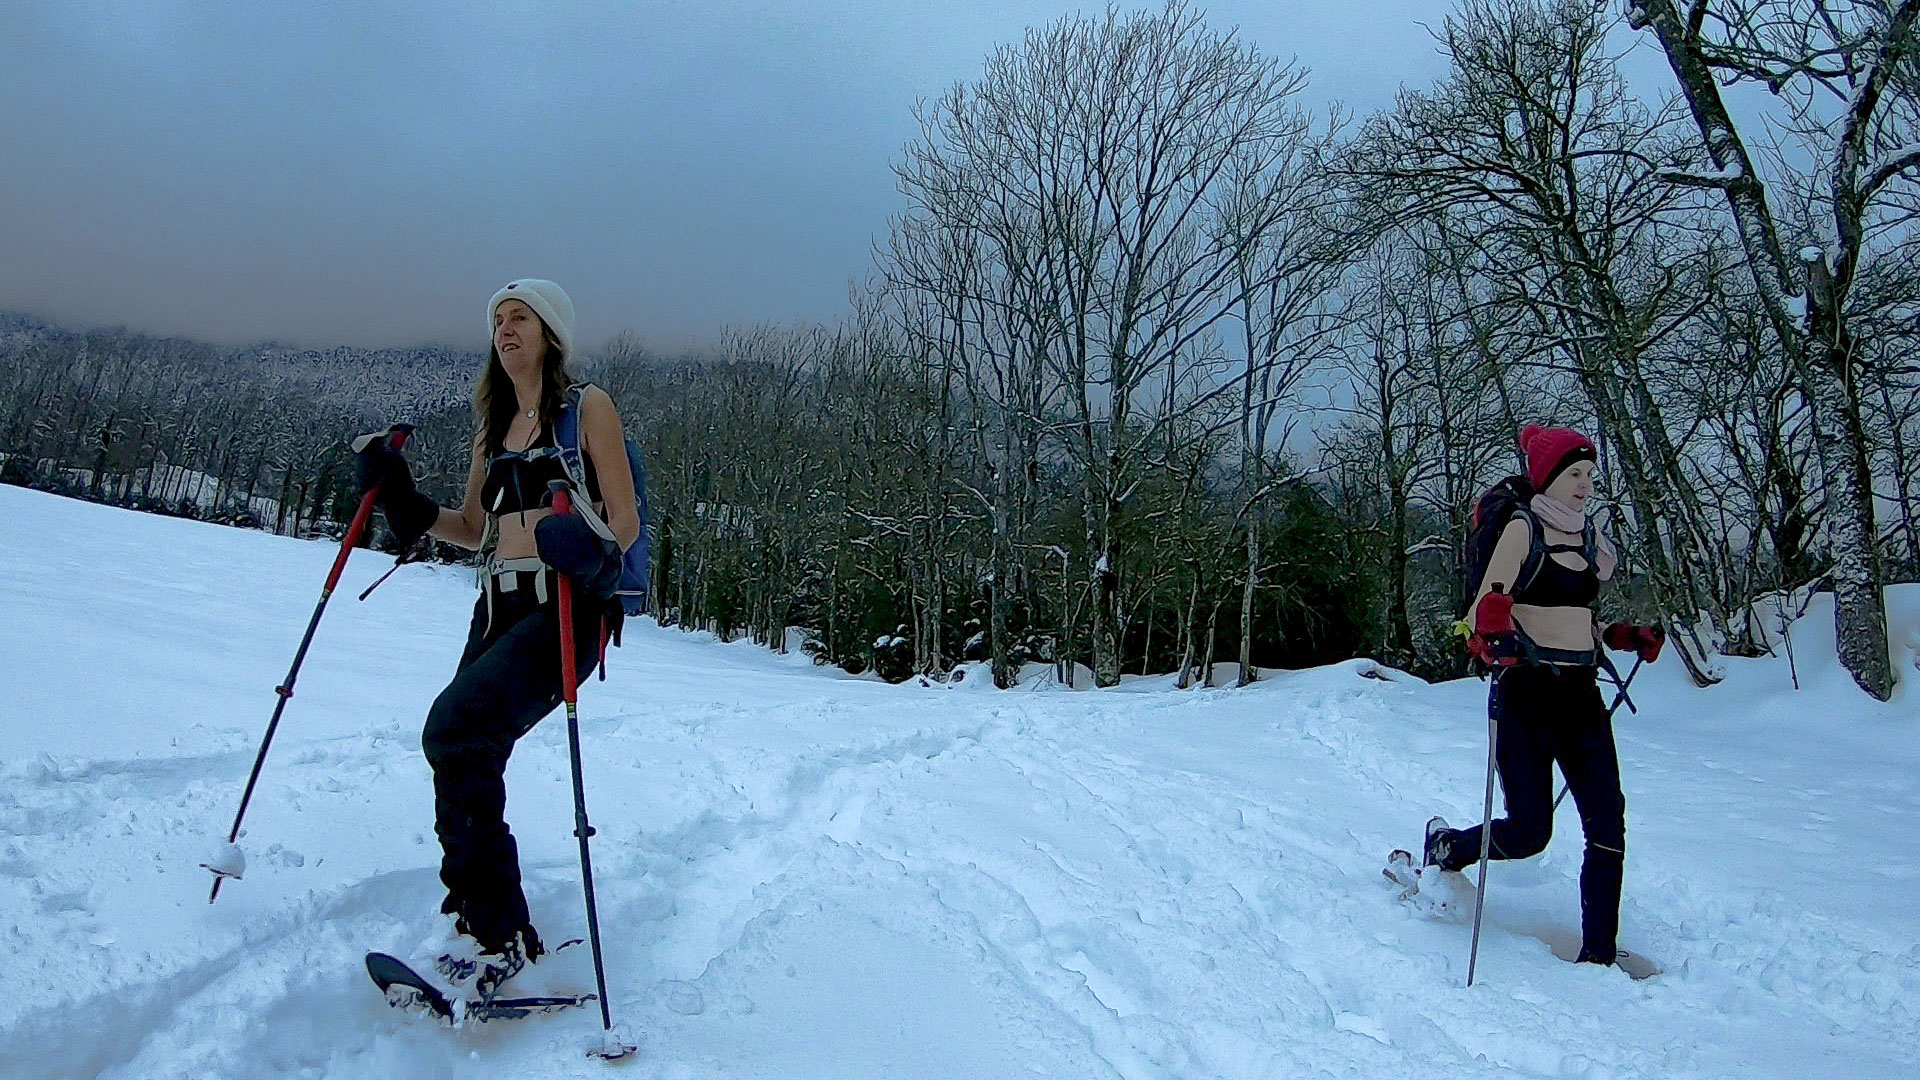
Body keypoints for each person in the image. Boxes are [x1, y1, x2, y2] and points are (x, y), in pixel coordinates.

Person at [353, 279, 640, 997]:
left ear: (551, 334)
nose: (506, 329)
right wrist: (407, 501)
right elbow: (475, 530)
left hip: (568, 603)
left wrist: (583, 538)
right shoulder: (493, 422)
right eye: (499, 320)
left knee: (456, 731)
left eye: (521, 318)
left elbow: (626, 521)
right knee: (458, 747)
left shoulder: (586, 407)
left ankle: (497, 935)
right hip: (496, 606)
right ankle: (482, 918)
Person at [1424, 424, 1665, 968]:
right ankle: (1447, 849)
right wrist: (1490, 635)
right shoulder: (1521, 529)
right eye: (1573, 474)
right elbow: (1483, 611)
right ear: (1548, 476)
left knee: (1607, 822)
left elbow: (1579, 621)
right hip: (1527, 696)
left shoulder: (1587, 538)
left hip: (1581, 699)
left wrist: (1625, 636)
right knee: (1531, 832)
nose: (1584, 485)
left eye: (1589, 475)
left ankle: (1599, 954)